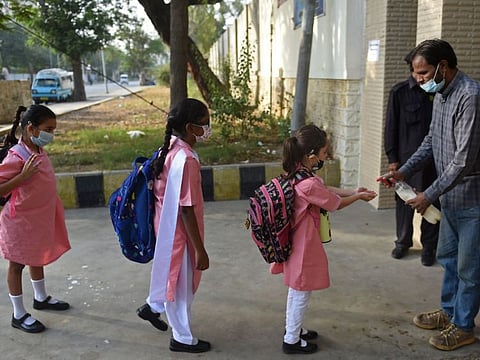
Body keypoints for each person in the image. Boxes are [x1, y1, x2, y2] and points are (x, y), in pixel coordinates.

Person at [381, 39, 480, 351]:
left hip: (472, 200)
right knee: (448, 258)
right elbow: (431, 140)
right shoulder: (441, 95)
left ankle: (463, 326)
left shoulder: (471, 96)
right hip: (450, 198)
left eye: (423, 73)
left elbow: (462, 160)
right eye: (416, 74)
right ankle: (449, 312)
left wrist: (428, 194)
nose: (418, 79)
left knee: (469, 268)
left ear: (444, 67)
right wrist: (403, 171)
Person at [270, 124, 377, 354]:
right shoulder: (307, 182)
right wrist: (357, 197)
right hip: (303, 245)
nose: (326, 155)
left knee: (296, 290)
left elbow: (324, 188)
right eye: (324, 151)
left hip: (294, 242)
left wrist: (352, 191)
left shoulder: (298, 173)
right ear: (311, 154)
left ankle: (294, 329)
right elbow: (333, 203)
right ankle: (291, 339)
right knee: (301, 292)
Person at [136, 98, 212, 353]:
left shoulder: (169, 146)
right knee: (181, 288)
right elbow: (187, 209)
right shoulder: (186, 160)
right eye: (205, 123)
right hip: (180, 233)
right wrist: (200, 249)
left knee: (171, 276)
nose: (209, 127)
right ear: (191, 128)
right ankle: (182, 338)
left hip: (165, 226)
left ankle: (153, 306)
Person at [0, 105, 71, 334]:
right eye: (48, 129)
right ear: (31, 128)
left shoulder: (37, 150)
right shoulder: (17, 155)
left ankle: (40, 297)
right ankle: (18, 313)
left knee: (36, 256)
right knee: (17, 264)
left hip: (37, 219)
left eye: (53, 129)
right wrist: (23, 177)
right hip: (19, 222)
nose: (51, 134)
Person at [384, 52, 439, 266]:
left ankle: (429, 247)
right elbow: (391, 127)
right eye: (418, 72)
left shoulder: (436, 92)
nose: (421, 78)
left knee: (433, 201)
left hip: (434, 160)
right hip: (407, 160)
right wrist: (392, 158)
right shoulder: (399, 92)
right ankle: (403, 242)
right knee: (404, 201)